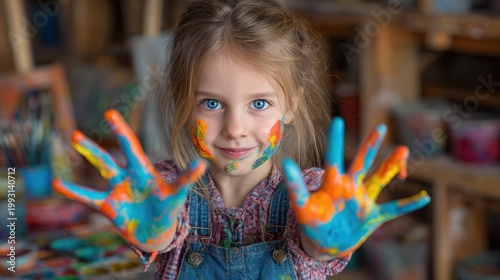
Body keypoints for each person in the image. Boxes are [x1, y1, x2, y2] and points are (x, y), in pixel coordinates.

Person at [53, 0, 431, 279]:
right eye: (212, 103)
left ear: (292, 106)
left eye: (259, 103)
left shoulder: (313, 197)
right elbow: (162, 234)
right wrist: (155, 233)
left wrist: (325, 243)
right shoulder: (166, 190)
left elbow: (314, 246)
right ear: (185, 104)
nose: (235, 127)